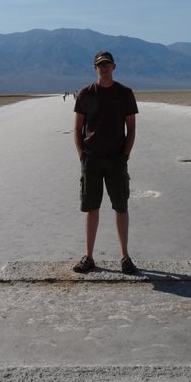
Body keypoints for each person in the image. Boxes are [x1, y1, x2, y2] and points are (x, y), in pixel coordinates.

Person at [72, 51, 139, 274]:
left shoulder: (124, 93)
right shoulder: (86, 94)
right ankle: (89, 256)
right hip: (92, 159)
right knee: (91, 207)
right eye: (100, 65)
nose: (104, 68)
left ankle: (125, 257)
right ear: (95, 68)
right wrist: (82, 154)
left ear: (114, 66)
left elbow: (131, 128)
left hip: (116, 159)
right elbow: (77, 127)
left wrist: (125, 154)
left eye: (107, 64)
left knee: (121, 206)